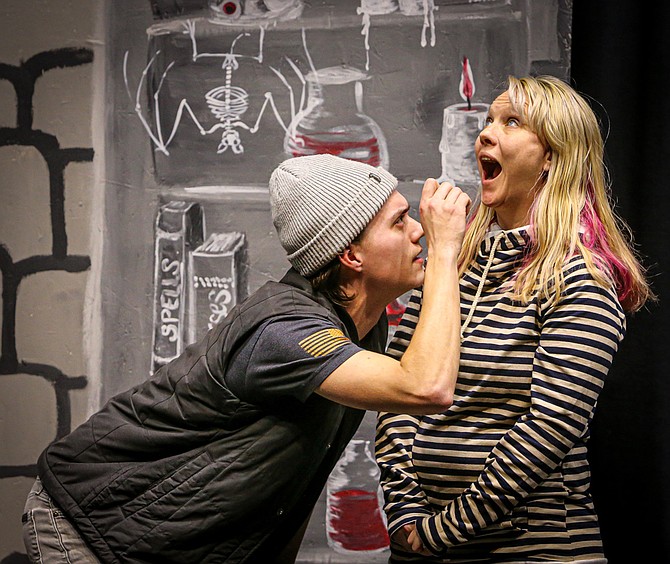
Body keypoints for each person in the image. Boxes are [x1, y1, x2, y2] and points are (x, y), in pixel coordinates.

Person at [22, 153, 471, 564]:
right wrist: (446, 249)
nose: (418, 230)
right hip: (91, 524)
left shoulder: (364, 329)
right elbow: (426, 387)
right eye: (399, 221)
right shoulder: (285, 332)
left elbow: (297, 482)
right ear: (351, 254)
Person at [376, 75, 654, 563]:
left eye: (511, 122)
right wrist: (404, 515)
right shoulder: (450, 264)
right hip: (422, 548)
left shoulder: (579, 277)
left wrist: (443, 531)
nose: (485, 133)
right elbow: (399, 392)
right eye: (487, 120)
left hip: (530, 549)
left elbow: (549, 427)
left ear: (552, 156)